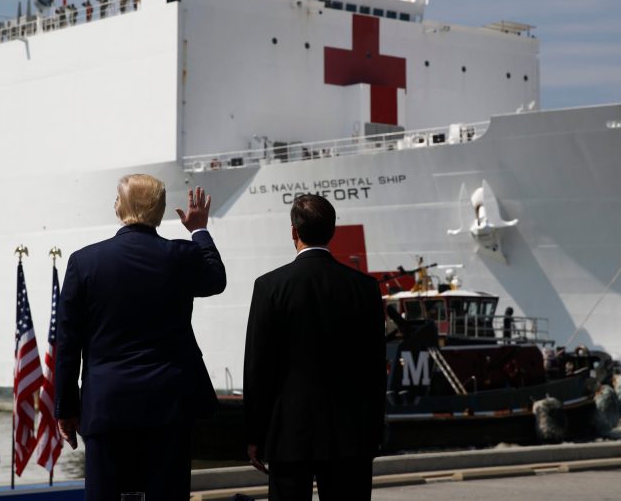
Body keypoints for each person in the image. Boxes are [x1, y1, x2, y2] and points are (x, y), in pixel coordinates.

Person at [55, 176, 226, 500]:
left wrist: (65, 407)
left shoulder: (84, 261)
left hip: (107, 404)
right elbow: (215, 279)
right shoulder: (181, 255)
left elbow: (68, 342)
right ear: (161, 211)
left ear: (120, 208)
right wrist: (199, 230)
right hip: (170, 405)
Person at [244, 194, 385, 501]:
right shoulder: (365, 288)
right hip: (351, 435)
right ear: (332, 231)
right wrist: (374, 434)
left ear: (294, 231)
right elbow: (376, 367)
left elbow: (259, 367)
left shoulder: (269, 286)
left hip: (289, 435)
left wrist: (255, 435)